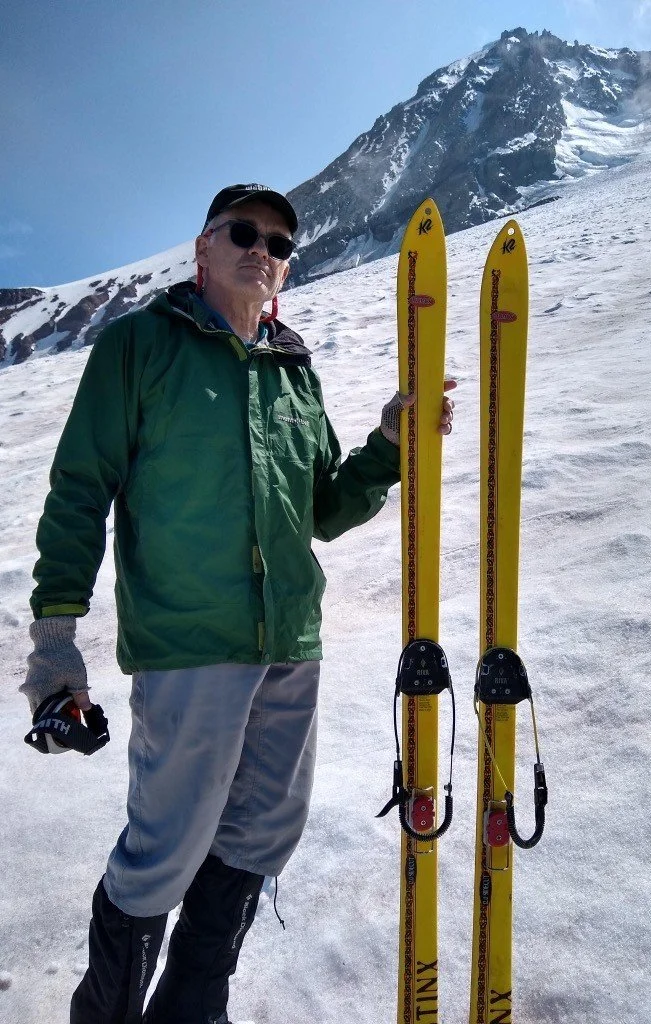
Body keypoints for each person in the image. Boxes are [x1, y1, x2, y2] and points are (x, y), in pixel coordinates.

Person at [21, 183, 456, 1024]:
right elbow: (79, 488)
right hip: (191, 645)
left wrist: (387, 447)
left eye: (280, 243)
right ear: (203, 248)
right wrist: (55, 643)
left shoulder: (294, 372)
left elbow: (324, 508)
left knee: (261, 833)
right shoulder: (141, 344)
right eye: (245, 233)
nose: (263, 249)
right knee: (164, 850)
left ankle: (193, 1010)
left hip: (290, 643)